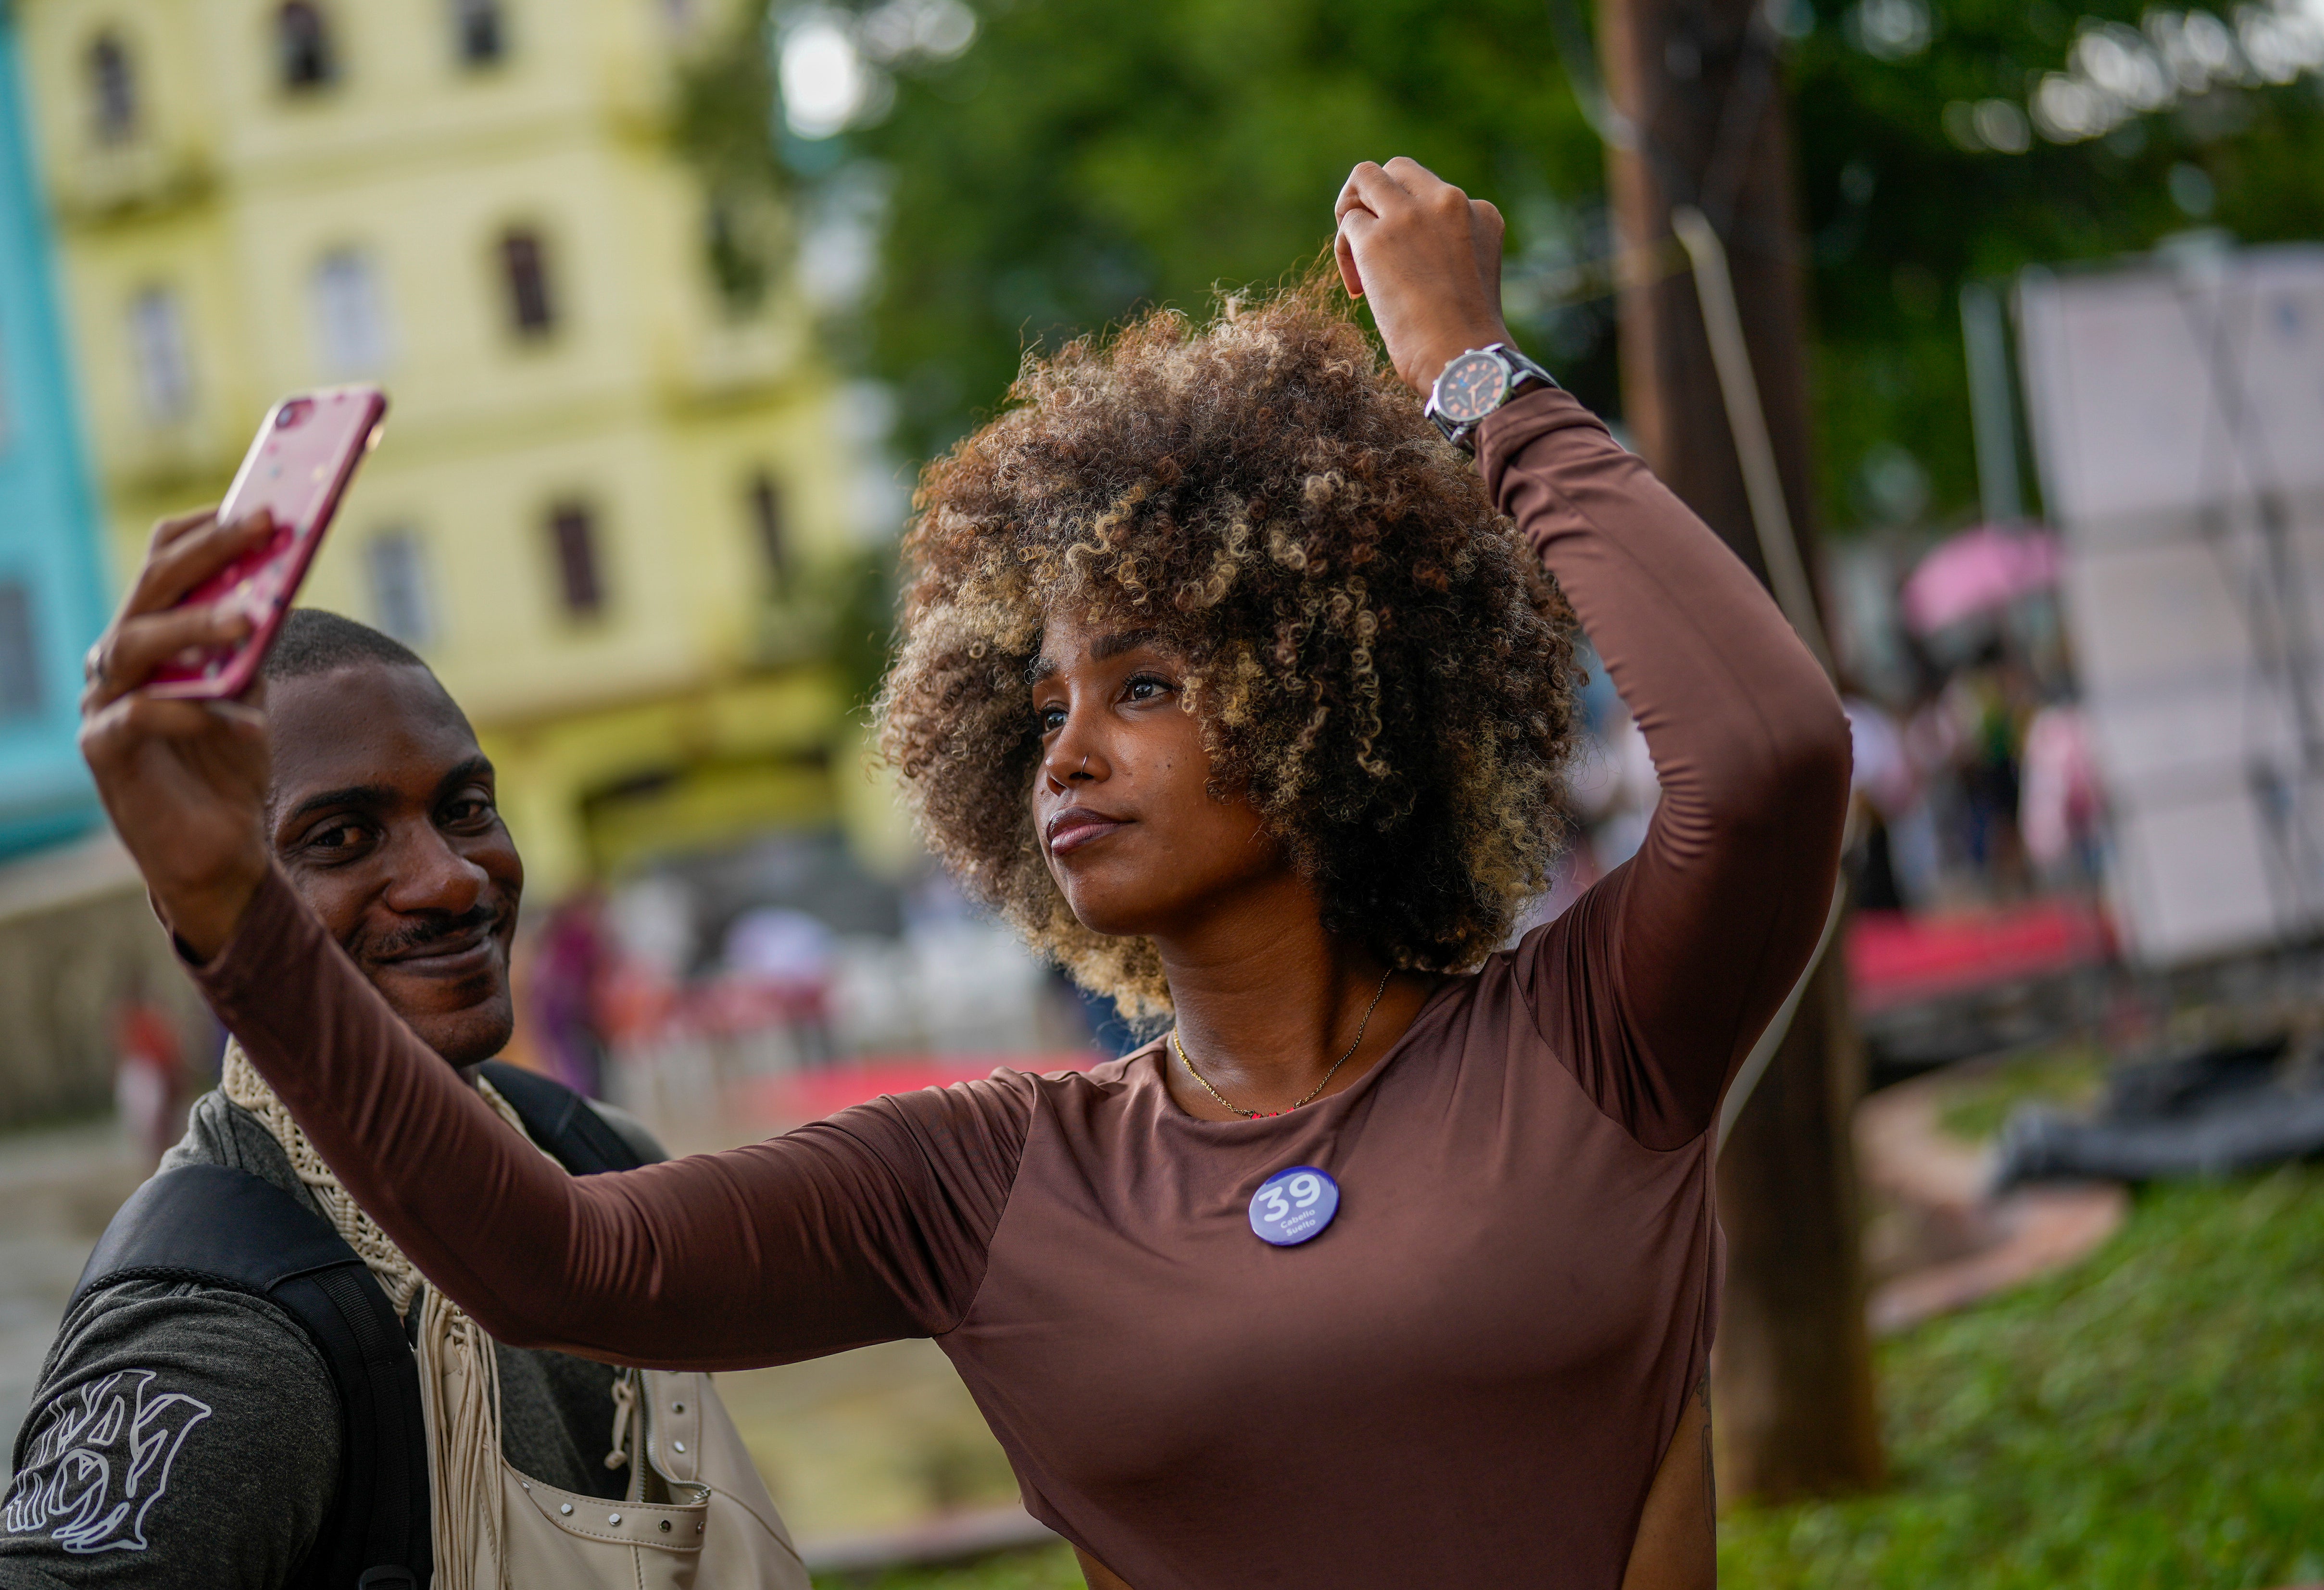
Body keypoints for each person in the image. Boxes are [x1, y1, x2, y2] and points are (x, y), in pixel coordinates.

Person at [76, 159, 1849, 1589]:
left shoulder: (1590, 1041)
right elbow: (556, 1258)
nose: (1064, 748)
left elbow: (1765, 756)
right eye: (1041, 700)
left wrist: (1473, 378)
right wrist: (233, 909)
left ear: (1339, 691)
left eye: (1143, 684)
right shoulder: (988, 1178)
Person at [9, 610, 794, 1587]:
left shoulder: (600, 1158)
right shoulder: (232, 1336)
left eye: (466, 808)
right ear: (196, 901)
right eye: (340, 837)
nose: (451, 878)